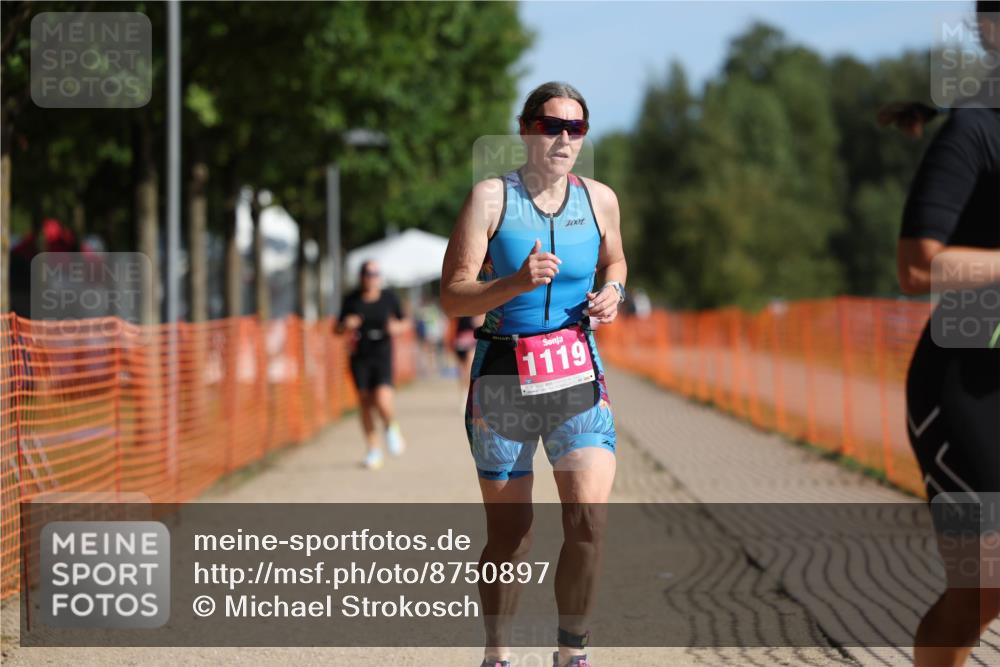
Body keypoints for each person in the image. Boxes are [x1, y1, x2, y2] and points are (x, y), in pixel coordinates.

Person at [441, 81, 627, 667]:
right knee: (512, 534)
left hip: (576, 372)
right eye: (551, 126)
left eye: (575, 128)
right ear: (525, 129)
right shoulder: (490, 200)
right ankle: (497, 653)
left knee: (588, 521)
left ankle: (572, 653)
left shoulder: (600, 199)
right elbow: (451, 297)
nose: (563, 138)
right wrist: (514, 283)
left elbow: (614, 256)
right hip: (503, 375)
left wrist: (615, 289)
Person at [896, 3, 1000, 664]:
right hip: (963, 390)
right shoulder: (974, 131)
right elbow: (915, 265)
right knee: (985, 582)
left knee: (984, 590)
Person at [335, 259, 408, 470]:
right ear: (361, 276)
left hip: (382, 354)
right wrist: (345, 325)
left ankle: (390, 427)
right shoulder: (351, 299)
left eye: (376, 273)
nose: (372, 277)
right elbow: (336, 328)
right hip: (359, 356)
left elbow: (404, 322)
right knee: (365, 403)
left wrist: (397, 327)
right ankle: (373, 450)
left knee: (383, 400)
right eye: (368, 273)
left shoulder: (388, 297)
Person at [453, 314, 486, 410]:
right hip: (460, 341)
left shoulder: (479, 309)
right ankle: (464, 396)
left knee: (468, 371)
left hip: (472, 341)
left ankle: (469, 398)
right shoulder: (462, 309)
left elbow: (480, 324)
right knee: (463, 372)